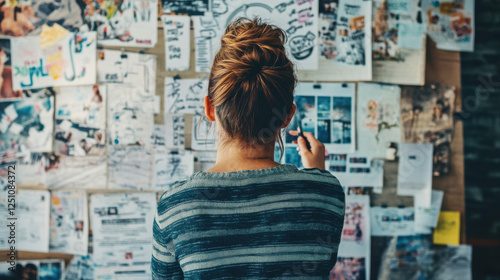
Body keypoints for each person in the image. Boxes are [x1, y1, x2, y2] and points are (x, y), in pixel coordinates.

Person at [152, 18, 345, 279]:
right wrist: (318, 179)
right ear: (288, 116)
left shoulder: (175, 206)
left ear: (210, 108)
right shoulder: (327, 194)